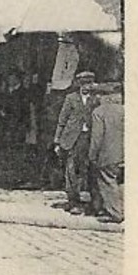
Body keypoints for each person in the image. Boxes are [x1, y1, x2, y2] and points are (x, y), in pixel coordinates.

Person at [52, 70, 96, 213]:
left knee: (88, 169)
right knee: (71, 170)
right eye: (83, 84)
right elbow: (62, 120)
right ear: (78, 84)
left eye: (88, 83)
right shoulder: (71, 98)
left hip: (89, 138)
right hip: (72, 139)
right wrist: (57, 141)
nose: (86, 87)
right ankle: (73, 201)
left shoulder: (96, 99)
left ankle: (91, 202)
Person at [88, 80, 124, 224]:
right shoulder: (124, 110)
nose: (97, 98)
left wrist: (92, 155)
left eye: (99, 95)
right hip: (123, 153)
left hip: (107, 154)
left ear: (105, 96)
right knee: (119, 181)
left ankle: (115, 213)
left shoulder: (99, 112)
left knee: (107, 181)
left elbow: (97, 137)